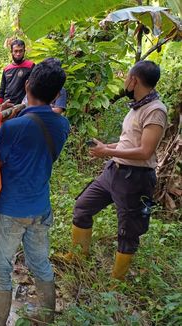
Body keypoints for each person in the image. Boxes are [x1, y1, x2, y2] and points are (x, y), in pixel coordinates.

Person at [0, 59, 70, 325]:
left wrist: (3, 119)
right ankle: (46, 315)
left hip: (11, 209)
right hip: (40, 207)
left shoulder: (13, 127)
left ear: (26, 85)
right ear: (57, 94)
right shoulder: (62, 126)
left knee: (0, 266)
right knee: (40, 263)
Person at [66, 60, 167, 280]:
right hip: (114, 172)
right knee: (83, 206)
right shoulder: (138, 107)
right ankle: (78, 257)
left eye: (126, 77)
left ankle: (116, 281)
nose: (124, 82)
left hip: (136, 178)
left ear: (134, 80)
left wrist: (108, 152)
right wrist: (106, 147)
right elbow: (128, 143)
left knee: (128, 230)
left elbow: (145, 152)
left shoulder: (155, 111)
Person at [0, 39, 34, 105]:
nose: (18, 54)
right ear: (11, 52)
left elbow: (35, 86)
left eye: (21, 51)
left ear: (24, 51)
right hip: (8, 104)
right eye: (16, 51)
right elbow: (2, 89)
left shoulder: (30, 66)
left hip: (24, 105)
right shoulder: (6, 69)